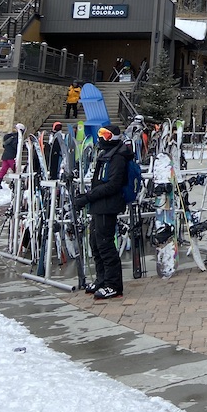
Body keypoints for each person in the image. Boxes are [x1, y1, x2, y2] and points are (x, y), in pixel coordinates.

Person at [74, 125, 129, 300]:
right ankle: (102, 279)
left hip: (108, 205)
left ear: (113, 137)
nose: (101, 138)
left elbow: (113, 185)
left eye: (105, 135)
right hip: (99, 204)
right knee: (95, 244)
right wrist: (88, 197)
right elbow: (100, 182)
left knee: (105, 245)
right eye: (100, 134)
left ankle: (113, 285)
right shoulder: (106, 154)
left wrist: (88, 197)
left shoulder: (118, 157)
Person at [0, 123, 24, 188]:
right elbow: (16, 147)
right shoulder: (17, 138)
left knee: (3, 170)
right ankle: (15, 184)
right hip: (11, 157)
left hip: (5, 156)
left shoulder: (10, 137)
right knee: (16, 171)